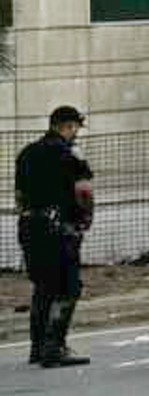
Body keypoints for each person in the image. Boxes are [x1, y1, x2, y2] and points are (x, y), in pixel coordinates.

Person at [14, 104, 94, 368]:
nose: (76, 133)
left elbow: (19, 196)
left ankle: (37, 347)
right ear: (67, 126)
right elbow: (82, 191)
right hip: (59, 228)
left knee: (43, 286)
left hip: (29, 225)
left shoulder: (26, 153)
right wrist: (84, 221)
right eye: (75, 128)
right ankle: (55, 346)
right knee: (68, 287)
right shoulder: (70, 152)